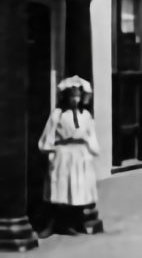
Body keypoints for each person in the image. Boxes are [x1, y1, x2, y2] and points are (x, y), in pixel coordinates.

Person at [37, 76, 100, 237]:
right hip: (63, 154)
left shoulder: (85, 115)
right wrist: (50, 150)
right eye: (72, 96)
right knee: (60, 188)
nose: (75, 99)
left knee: (77, 189)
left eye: (78, 96)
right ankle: (53, 224)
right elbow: (48, 135)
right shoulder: (58, 114)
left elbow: (90, 135)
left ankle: (71, 223)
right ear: (66, 96)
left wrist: (92, 150)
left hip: (80, 155)